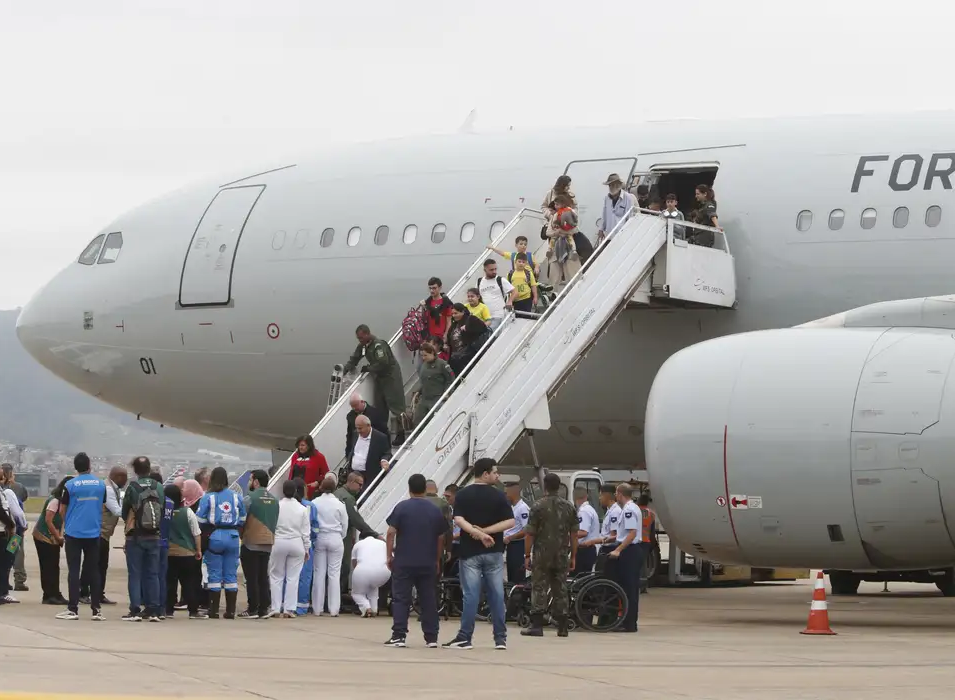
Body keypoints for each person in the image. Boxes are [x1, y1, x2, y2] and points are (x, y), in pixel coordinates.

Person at [443, 458, 514, 650]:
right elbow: (510, 522)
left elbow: (459, 520)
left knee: (471, 595)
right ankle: (500, 638)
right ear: (485, 474)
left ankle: (465, 637)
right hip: (494, 552)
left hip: (469, 552)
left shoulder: (463, 495)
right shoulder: (500, 496)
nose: (497, 475)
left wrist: (478, 533)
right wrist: (488, 532)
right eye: (495, 472)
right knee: (497, 594)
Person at [384, 474, 449, 648]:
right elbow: (441, 536)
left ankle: (399, 635)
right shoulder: (434, 510)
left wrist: (389, 555)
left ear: (409, 488)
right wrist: (437, 559)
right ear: (425, 489)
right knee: (428, 598)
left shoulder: (402, 508)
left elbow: (391, 532)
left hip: (404, 560)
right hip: (427, 561)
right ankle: (431, 637)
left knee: (401, 598)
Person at [521, 472, 579, 637]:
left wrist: (526, 555)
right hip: (561, 554)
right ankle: (562, 627)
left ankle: (537, 625)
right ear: (559, 486)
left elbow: (530, 534)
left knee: (539, 586)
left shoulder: (537, 506)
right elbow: (574, 535)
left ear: (544, 486)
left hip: (542, 554)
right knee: (560, 588)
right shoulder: (569, 507)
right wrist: (573, 556)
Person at [56, 452, 107, 621]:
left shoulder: (70, 485)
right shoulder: (101, 484)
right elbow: (102, 504)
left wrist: (69, 522)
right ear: (90, 465)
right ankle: (96, 609)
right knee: (94, 571)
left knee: (74, 571)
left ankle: (73, 609)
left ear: (75, 467)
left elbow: (62, 509)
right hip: (93, 532)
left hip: (74, 533)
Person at [196, 466, 247, 619]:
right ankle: (230, 611)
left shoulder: (208, 497)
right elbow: (243, 519)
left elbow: (200, 519)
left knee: (214, 574)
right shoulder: (237, 496)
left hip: (215, 536)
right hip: (232, 536)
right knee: (231, 575)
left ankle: (213, 610)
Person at [343, 325, 407, 445]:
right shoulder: (363, 345)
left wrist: (368, 368)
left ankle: (401, 433)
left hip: (390, 377)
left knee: (396, 406)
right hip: (380, 378)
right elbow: (355, 358)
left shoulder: (378, 346)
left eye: (361, 338)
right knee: (380, 408)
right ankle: (383, 435)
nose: (360, 341)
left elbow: (384, 363)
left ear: (368, 334)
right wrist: (346, 369)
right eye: (358, 339)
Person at [238, 469, 279, 619]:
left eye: (250, 480)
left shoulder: (249, 498)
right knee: (263, 576)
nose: (249, 482)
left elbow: (241, 520)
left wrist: (241, 534)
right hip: (268, 542)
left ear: (256, 482)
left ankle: (253, 608)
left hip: (251, 542)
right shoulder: (275, 500)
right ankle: (264, 607)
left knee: (251, 577)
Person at [164, 484, 207, 619]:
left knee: (170, 582)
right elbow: (196, 533)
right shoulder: (187, 512)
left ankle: (168, 610)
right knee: (189, 583)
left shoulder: (164, 512)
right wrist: (198, 550)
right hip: (187, 553)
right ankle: (193, 610)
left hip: (169, 553)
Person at [269, 480, 310, 618]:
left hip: (279, 541)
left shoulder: (276, 506)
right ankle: (289, 609)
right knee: (293, 577)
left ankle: (275, 607)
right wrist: (307, 549)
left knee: (276, 575)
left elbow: (271, 525)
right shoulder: (303, 509)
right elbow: (306, 532)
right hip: (296, 542)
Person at [334, 471, 379, 598]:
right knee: (344, 566)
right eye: (359, 484)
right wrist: (374, 534)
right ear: (352, 482)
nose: (361, 488)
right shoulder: (348, 498)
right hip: (343, 537)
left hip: (333, 535)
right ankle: (339, 597)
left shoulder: (337, 493)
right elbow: (356, 520)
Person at [606, 484, 642, 633]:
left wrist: (618, 550)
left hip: (629, 551)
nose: (615, 496)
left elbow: (632, 533)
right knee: (627, 588)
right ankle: (627, 622)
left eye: (616, 493)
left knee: (629, 589)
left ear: (620, 494)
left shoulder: (628, 510)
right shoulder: (631, 508)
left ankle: (629, 624)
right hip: (629, 549)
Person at [311, 475, 347, 616]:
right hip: (335, 537)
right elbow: (345, 524)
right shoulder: (340, 504)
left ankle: (317, 608)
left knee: (319, 573)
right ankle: (334, 609)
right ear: (334, 488)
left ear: (321, 488)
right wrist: (340, 536)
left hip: (320, 536)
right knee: (334, 574)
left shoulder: (315, 502)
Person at [33, 476, 72, 605]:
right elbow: (48, 520)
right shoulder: (55, 501)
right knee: (48, 566)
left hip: (52, 537)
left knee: (54, 566)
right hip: (43, 537)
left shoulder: (63, 501)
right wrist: (58, 537)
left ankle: (55, 593)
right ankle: (49, 595)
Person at [293, 479, 319, 616]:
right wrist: (312, 540)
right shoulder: (310, 506)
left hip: (289, 541)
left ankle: (285, 605)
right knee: (305, 576)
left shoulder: (284, 504)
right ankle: (302, 606)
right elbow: (315, 528)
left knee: (288, 575)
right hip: (305, 544)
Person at [345, 415, 392, 491]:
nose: (358, 431)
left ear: (368, 425)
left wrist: (384, 460)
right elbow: (352, 449)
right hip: (353, 474)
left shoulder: (380, 437)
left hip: (369, 476)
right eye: (356, 428)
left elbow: (387, 453)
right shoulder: (355, 434)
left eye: (360, 428)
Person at [413, 341, 454, 427]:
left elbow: (450, 380)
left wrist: (447, 393)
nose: (423, 358)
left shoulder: (442, 364)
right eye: (422, 355)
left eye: (425, 355)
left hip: (437, 398)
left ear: (432, 353)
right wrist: (418, 392)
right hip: (424, 398)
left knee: (436, 423)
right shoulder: (424, 365)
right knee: (417, 421)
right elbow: (424, 381)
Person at [2, 464, 29, 592]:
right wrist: (23, 525)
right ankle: (19, 580)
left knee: (5, 555)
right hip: (16, 527)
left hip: (4, 527)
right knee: (17, 552)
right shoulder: (18, 487)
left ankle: (4, 581)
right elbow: (23, 501)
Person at [350, 532, 390, 618]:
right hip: (383, 572)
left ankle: (367, 607)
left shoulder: (358, 544)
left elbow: (354, 562)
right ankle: (374, 609)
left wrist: (359, 576)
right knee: (374, 587)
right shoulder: (382, 543)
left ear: (361, 538)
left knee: (357, 594)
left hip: (363, 570)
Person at [446, 304, 492, 376]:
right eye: (452, 314)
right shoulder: (454, 325)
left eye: (456, 313)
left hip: (470, 355)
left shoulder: (471, 319)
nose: (453, 316)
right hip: (458, 356)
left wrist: (468, 327)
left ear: (463, 312)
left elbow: (483, 328)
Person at [154, 470, 174, 620]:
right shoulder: (170, 502)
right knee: (162, 577)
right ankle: (162, 609)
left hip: (153, 541)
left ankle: (152, 606)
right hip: (165, 542)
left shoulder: (153, 500)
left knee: (150, 576)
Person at [477, 259, 516, 332]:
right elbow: (477, 296)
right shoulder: (479, 281)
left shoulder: (500, 280)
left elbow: (515, 292)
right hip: (485, 317)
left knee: (490, 334)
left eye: (495, 269)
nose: (494, 271)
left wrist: (510, 301)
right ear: (485, 270)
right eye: (491, 270)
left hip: (499, 315)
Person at [597, 173, 637, 243]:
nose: (611, 187)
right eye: (610, 185)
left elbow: (630, 217)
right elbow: (604, 215)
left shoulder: (628, 198)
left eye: (614, 185)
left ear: (619, 185)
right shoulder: (607, 198)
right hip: (609, 235)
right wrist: (601, 229)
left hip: (621, 236)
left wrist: (628, 234)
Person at [503, 483, 529, 584]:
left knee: (517, 575)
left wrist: (510, 537)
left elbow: (526, 529)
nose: (505, 496)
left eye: (506, 493)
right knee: (511, 574)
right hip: (510, 544)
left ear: (512, 494)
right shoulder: (514, 507)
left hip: (518, 545)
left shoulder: (523, 508)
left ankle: (519, 598)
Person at [289, 435, 329, 501]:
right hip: (295, 492)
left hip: (310, 493)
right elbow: (291, 473)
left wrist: (317, 482)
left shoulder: (319, 457)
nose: (300, 447)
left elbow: (326, 474)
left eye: (302, 445)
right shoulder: (295, 456)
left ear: (309, 446)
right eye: (299, 445)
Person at [572, 488, 600, 576]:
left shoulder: (584, 511)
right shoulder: (589, 509)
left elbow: (583, 532)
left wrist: (569, 536)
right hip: (589, 549)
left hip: (585, 550)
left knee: (578, 578)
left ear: (574, 497)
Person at [637, 492, 657, 594]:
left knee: (635, 564)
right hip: (646, 541)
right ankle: (643, 586)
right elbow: (652, 531)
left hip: (636, 541)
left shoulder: (635, 511)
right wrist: (653, 544)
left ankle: (636, 585)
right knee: (644, 564)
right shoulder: (651, 514)